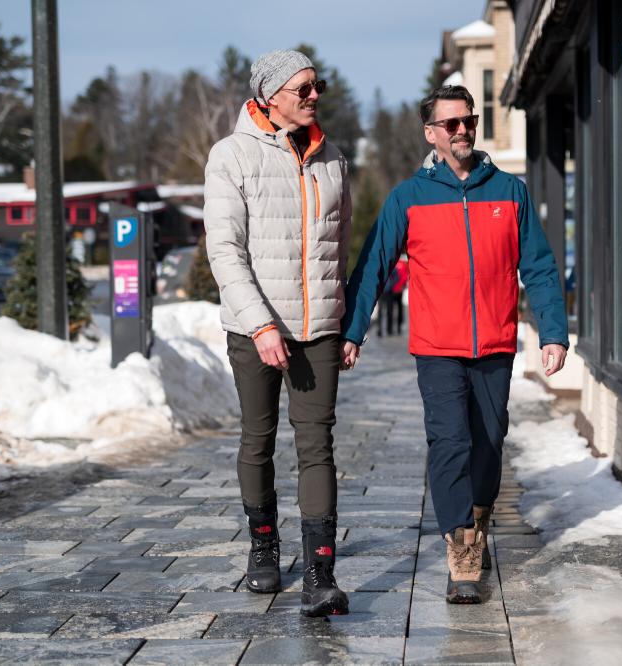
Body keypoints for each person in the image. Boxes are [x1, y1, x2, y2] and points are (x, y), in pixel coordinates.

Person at [340, 85, 568, 604]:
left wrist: (553, 331)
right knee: (450, 443)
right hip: (437, 346)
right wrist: (353, 331)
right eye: (452, 124)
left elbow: (538, 266)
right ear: (432, 134)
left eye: (469, 120)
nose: (462, 130)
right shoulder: (408, 197)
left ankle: (479, 524)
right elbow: (373, 265)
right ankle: (461, 548)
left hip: (494, 344)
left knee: (488, 442)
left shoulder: (509, 191)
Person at [203, 49, 351, 617]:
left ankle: (320, 571)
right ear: (268, 95)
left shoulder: (332, 158)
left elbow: (340, 245)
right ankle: (263, 544)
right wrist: (261, 323)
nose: (313, 96)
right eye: (302, 88)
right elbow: (225, 250)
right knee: (257, 438)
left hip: (317, 331)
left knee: (317, 446)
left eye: (317, 85)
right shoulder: (231, 156)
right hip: (253, 330)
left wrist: (345, 321)